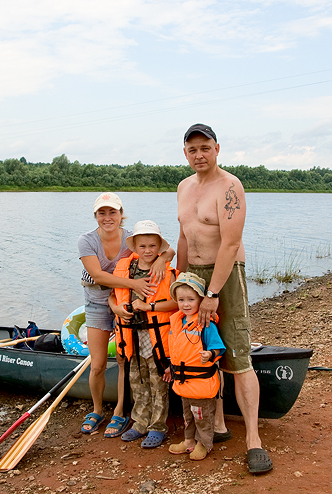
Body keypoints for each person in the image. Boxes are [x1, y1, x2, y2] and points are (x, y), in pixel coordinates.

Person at [176, 124, 273, 474]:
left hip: (225, 276)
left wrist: (212, 294)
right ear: (184, 153)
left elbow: (230, 244)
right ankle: (216, 426)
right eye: (192, 149)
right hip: (194, 277)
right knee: (203, 349)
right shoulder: (183, 188)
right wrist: (180, 282)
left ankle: (253, 440)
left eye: (205, 148)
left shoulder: (230, 186)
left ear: (217, 148)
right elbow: (184, 237)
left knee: (237, 353)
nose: (199, 155)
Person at [78, 193, 175, 436]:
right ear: (96, 216)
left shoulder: (135, 238)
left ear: (121, 214)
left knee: (125, 360)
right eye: (102, 213)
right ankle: (97, 409)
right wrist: (132, 288)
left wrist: (163, 258)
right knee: (98, 364)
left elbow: (166, 249)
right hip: (100, 302)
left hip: (128, 303)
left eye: (113, 212)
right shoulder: (87, 240)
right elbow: (99, 276)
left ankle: (120, 412)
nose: (108, 217)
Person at [108, 220, 178, 448]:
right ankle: (139, 423)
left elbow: (177, 302)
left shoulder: (167, 272)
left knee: (158, 382)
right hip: (131, 335)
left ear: (159, 248)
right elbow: (113, 296)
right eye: (143, 247)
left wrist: (150, 307)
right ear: (135, 248)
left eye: (152, 246)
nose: (147, 251)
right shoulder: (125, 269)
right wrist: (115, 308)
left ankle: (158, 427)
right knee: (137, 380)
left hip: (157, 337)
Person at [164, 271, 225, 461]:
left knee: (202, 416)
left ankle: (204, 444)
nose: (186, 304)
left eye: (191, 299)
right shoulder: (178, 321)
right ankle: (189, 440)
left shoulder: (205, 324)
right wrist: (169, 367)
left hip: (200, 383)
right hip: (184, 383)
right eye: (181, 300)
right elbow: (177, 351)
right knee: (188, 414)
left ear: (200, 300)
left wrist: (209, 354)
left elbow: (218, 347)